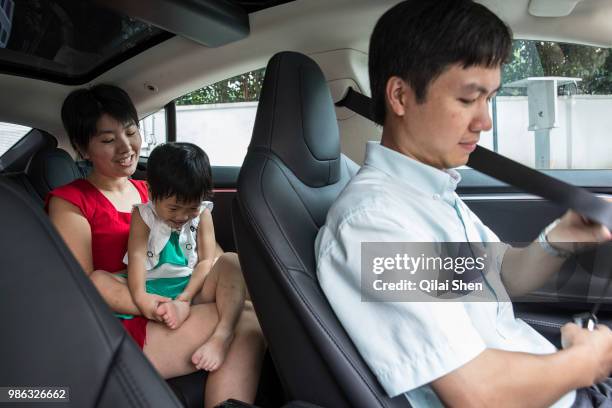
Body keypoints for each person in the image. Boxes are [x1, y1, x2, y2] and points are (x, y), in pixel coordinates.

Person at [315, 1, 612, 407]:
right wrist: (585, 362)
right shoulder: (375, 224)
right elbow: (477, 393)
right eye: (468, 99)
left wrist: (561, 238)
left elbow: (497, 276)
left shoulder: (427, 196)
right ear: (400, 95)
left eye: (489, 98)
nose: (484, 121)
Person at [47, 84, 265, 407]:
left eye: (131, 132)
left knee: (249, 304)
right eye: (108, 140)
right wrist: (162, 305)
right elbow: (83, 291)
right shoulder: (71, 203)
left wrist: (217, 287)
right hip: (127, 320)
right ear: (83, 147)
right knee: (247, 323)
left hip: (176, 294)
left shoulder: (155, 190)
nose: (126, 147)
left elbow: (207, 255)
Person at [124, 142, 245, 372]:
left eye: (191, 208)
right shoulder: (143, 215)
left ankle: (222, 336)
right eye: (174, 208)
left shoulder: (203, 215)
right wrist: (140, 297)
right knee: (100, 278)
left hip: (192, 286)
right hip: (154, 289)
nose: (182, 216)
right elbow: (137, 257)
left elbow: (206, 262)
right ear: (151, 193)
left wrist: (185, 299)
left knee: (231, 260)